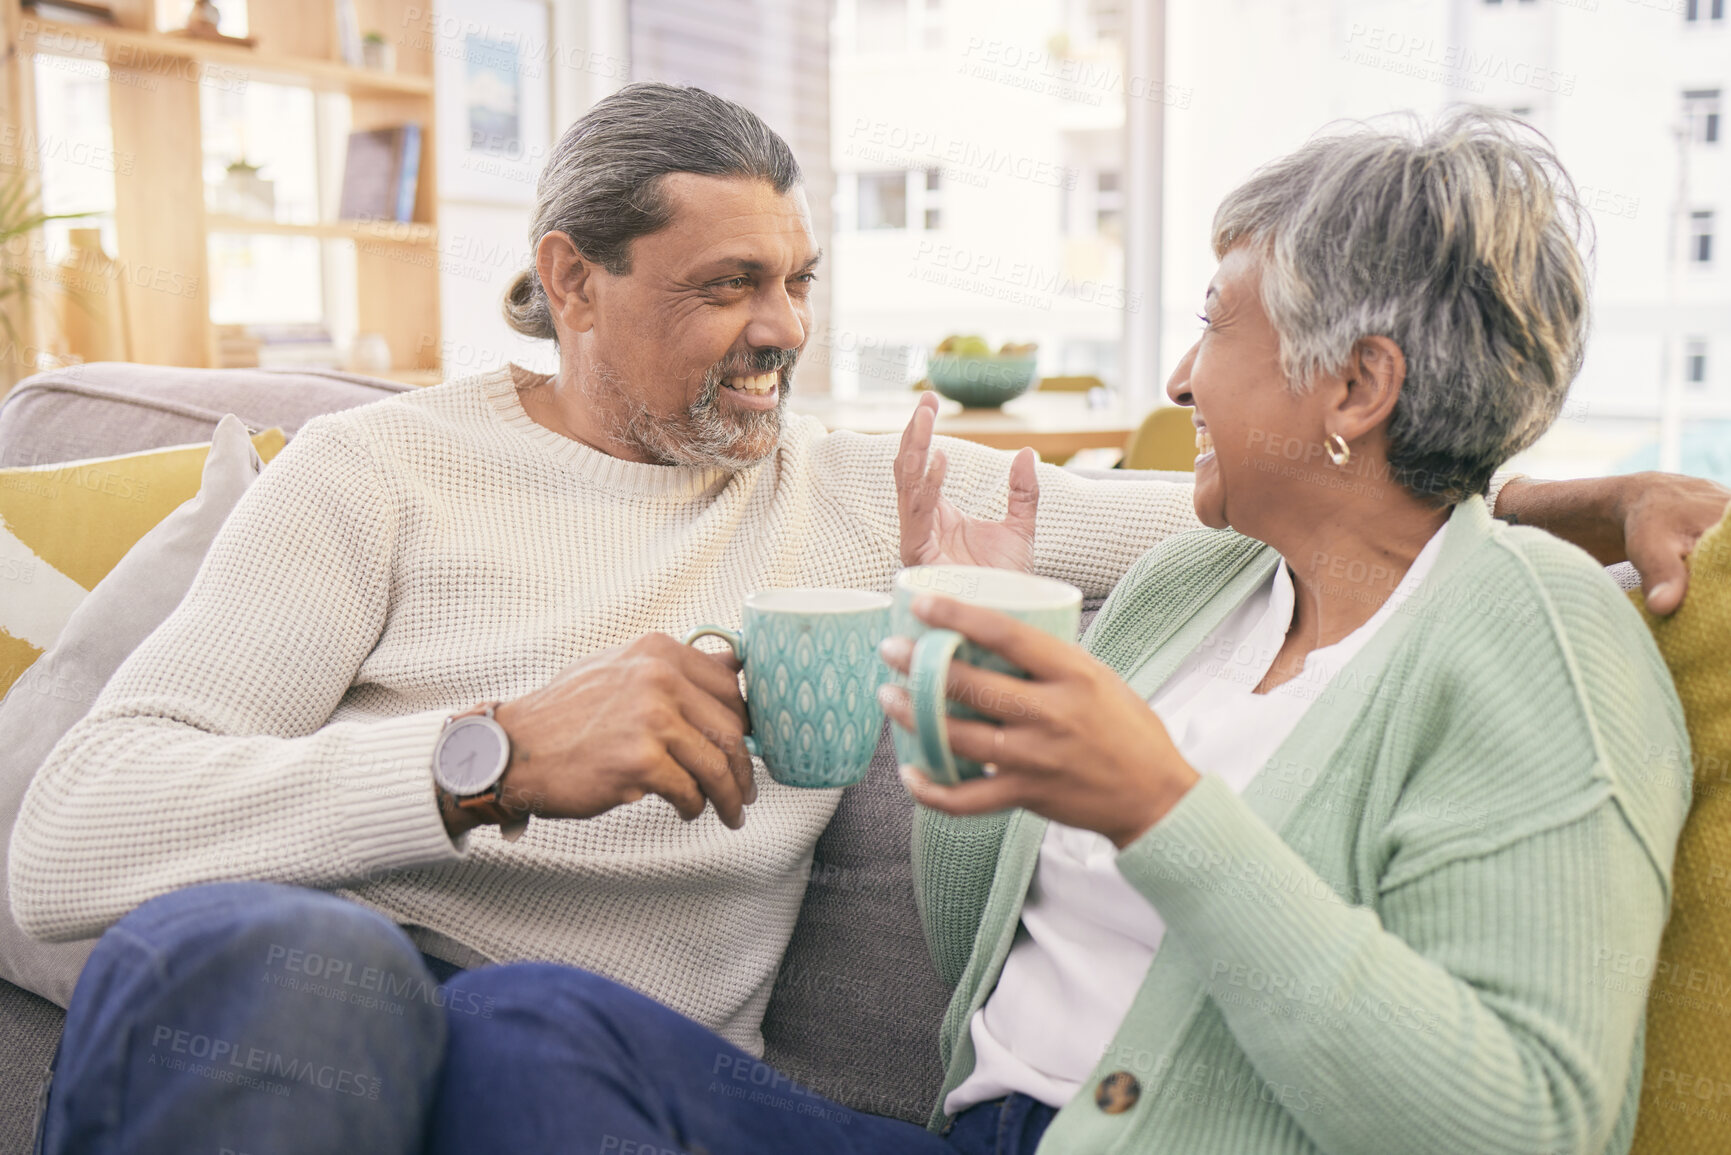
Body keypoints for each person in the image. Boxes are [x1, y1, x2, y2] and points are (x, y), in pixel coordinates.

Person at [11, 89, 1713, 1154]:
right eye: (725, 288)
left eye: (799, 284)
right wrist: (487, 758)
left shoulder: (858, 488)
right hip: (327, 967)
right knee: (294, 974)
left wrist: (1584, 499)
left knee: (520, 1038)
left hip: (597, 1065)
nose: (780, 338)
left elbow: (1344, 511)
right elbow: (71, 843)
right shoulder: (370, 479)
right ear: (573, 279)